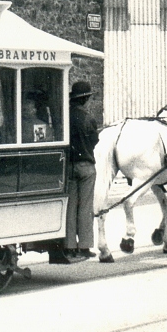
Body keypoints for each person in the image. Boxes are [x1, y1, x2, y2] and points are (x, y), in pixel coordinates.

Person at [64, 80, 99, 261]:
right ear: (85, 99)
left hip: (68, 167)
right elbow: (94, 141)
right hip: (86, 166)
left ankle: (70, 246)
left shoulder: (65, 116)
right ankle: (84, 246)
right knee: (85, 208)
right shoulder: (88, 118)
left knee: (70, 208)